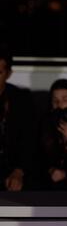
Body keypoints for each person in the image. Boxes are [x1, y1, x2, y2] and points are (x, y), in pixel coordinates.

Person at [0, 48, 35, 191]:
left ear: (8, 74)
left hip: (14, 166)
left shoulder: (21, 100)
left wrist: (19, 171)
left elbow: (29, 138)